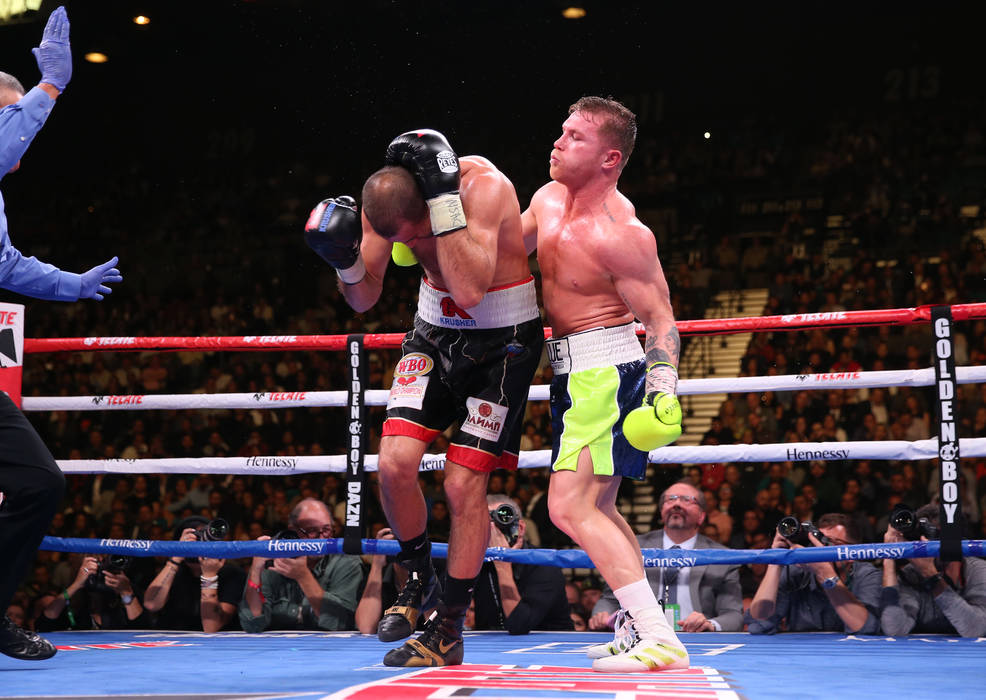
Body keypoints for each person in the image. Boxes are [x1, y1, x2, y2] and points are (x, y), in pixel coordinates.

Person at [305, 129, 542, 666]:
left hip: (502, 342)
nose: (410, 248)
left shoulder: (483, 189)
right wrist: (343, 261)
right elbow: (364, 298)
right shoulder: (383, 201)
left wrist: (442, 204)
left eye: (415, 236)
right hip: (433, 332)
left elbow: (471, 290)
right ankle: (419, 582)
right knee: (392, 463)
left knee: (463, 484)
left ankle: (451, 630)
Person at [0, 7, 123, 661]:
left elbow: (5, 262)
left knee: (39, 482)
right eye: (12, 120)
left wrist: (73, 285)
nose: (26, 136)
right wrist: (47, 89)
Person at [522, 96, 686, 672]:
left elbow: (662, 318)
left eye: (576, 137)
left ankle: (661, 639)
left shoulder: (624, 233)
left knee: (567, 507)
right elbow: (500, 262)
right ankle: (637, 628)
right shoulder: (543, 200)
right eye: (561, 131)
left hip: (607, 372)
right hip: (568, 372)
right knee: (600, 506)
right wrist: (431, 236)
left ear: (610, 158)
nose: (559, 142)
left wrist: (663, 387)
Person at [589, 482, 743, 640]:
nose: (677, 503)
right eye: (671, 499)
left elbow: (733, 614)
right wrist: (603, 615)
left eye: (686, 500)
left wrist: (710, 623)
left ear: (701, 516)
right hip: (641, 637)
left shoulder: (721, 556)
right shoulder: (633, 546)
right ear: (662, 511)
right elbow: (609, 599)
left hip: (697, 638)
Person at [241, 498, 364, 632]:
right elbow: (252, 623)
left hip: (331, 648)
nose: (321, 538)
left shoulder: (345, 561)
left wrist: (303, 576)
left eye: (326, 530)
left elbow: (340, 623)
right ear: (293, 530)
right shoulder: (272, 555)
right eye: (311, 530)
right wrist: (255, 571)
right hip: (277, 648)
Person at [748, 513, 882, 634]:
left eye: (827, 542)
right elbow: (759, 622)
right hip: (799, 656)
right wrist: (775, 559)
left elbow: (866, 628)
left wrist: (824, 573)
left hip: (851, 656)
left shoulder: (867, 575)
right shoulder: (797, 572)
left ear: (851, 553)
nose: (818, 547)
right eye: (815, 540)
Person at [471, 496, 573, 634]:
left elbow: (519, 624)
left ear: (520, 528)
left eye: (502, 521)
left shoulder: (544, 564)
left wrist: (502, 562)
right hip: (491, 646)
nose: (494, 532)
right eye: (487, 523)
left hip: (547, 647)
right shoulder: (474, 561)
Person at [880, 504, 986, 637]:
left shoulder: (977, 570)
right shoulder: (912, 573)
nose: (923, 543)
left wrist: (930, 575)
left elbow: (976, 629)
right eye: (920, 536)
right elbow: (894, 629)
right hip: (924, 655)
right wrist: (889, 557)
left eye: (931, 536)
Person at [142, 516, 246, 631]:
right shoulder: (173, 571)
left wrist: (209, 576)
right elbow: (151, 605)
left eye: (201, 538)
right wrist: (177, 556)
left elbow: (211, 627)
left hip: (216, 645)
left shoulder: (232, 574)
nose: (197, 544)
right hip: (174, 641)